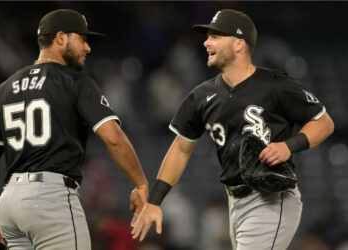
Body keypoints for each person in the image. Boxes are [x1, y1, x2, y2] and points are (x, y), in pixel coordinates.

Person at [131, 9, 334, 250]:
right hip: (235, 202)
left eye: (215, 36)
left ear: (239, 44)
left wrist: (289, 146)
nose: (206, 42)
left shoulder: (276, 85)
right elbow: (180, 149)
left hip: (270, 198)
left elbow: (324, 123)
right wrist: (154, 201)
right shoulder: (201, 96)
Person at [0, 9, 148, 250]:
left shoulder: (4, 88)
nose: (88, 48)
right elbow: (113, 138)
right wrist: (141, 184)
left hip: (8, 203)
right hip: (49, 198)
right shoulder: (74, 80)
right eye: (82, 39)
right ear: (60, 38)